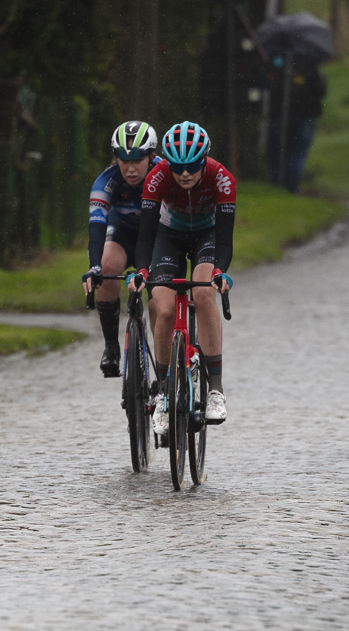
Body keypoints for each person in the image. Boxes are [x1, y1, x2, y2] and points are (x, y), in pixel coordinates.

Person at [129, 121, 235, 431]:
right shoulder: (157, 178)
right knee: (162, 307)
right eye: (177, 167)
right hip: (168, 235)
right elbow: (145, 237)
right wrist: (142, 270)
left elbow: (226, 241)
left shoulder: (222, 179)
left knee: (203, 294)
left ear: (204, 161)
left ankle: (215, 388)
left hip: (208, 235)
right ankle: (163, 391)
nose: (184, 173)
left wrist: (220, 272)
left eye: (191, 166)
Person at [82, 120, 160, 377]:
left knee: (161, 292)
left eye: (138, 160)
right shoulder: (106, 182)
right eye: (123, 160)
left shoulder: (165, 175)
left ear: (151, 156)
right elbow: (96, 229)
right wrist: (94, 267)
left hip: (158, 234)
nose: (130, 168)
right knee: (106, 267)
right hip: (123, 231)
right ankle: (111, 346)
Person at [267, 54, 327, 193]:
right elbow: (320, 89)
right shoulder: (309, 62)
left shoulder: (274, 59)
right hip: (304, 115)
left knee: (277, 153)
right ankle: (292, 188)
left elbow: (267, 84)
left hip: (278, 115)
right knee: (296, 153)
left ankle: (276, 187)